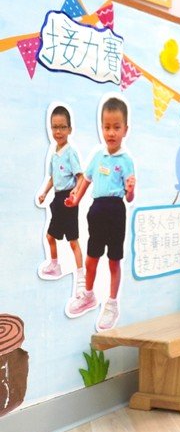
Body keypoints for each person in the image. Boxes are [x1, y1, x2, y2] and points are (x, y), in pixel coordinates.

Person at [65, 97, 135, 332]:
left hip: (116, 212)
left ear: (125, 129)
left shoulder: (126, 161)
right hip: (96, 212)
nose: (111, 132)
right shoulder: (97, 156)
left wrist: (131, 190)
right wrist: (75, 199)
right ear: (101, 127)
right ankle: (88, 295)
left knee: (114, 260)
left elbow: (129, 197)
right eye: (107, 127)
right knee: (91, 258)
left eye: (116, 127)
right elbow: (85, 180)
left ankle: (112, 303)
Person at [36, 106, 85, 285]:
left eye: (63, 127)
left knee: (73, 241)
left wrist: (75, 191)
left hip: (68, 200)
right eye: (55, 127)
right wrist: (44, 193)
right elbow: (52, 178)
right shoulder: (54, 155)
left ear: (69, 129)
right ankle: (55, 265)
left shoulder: (70, 152)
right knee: (50, 236)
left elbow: (81, 176)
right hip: (57, 199)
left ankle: (81, 275)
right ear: (50, 129)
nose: (58, 131)